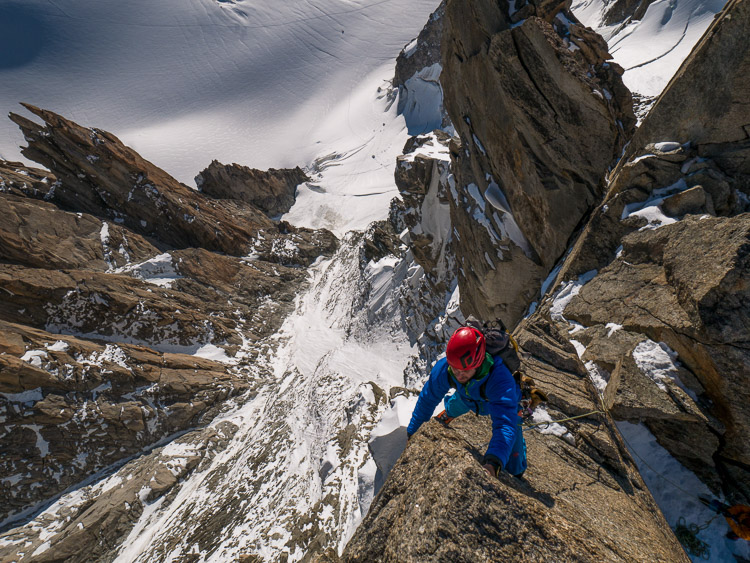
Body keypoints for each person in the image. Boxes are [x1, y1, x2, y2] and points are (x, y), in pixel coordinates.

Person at [406, 325, 527, 478]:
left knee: (515, 467)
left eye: (465, 371)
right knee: (459, 402)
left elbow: (504, 425)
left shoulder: (500, 380)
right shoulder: (446, 368)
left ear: (479, 363)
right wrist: (412, 433)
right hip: (468, 396)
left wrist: (493, 463)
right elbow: (427, 400)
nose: (459, 375)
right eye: (455, 369)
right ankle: (449, 412)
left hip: (500, 401)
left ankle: (518, 465)